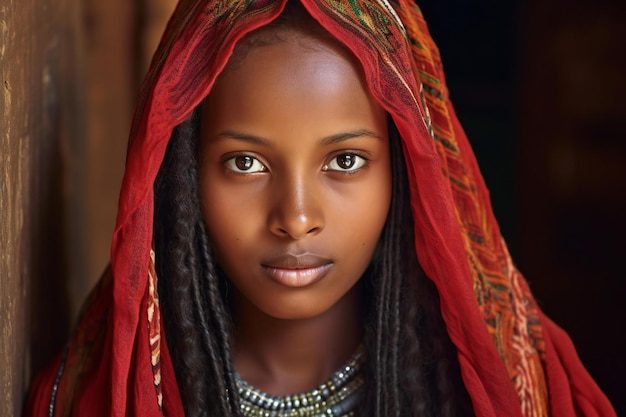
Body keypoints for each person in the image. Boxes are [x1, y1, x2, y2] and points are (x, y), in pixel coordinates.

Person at [25, 1, 615, 416]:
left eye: (346, 161)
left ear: (408, 172)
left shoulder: (514, 391)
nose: (297, 216)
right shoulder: (106, 395)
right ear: (181, 178)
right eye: (246, 164)